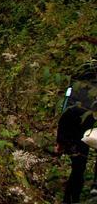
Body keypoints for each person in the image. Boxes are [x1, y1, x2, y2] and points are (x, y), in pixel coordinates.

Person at [57, 63, 97, 203]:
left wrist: (60, 139)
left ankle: (71, 199)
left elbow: (66, 105)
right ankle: (73, 198)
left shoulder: (80, 70)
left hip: (74, 118)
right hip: (83, 120)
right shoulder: (83, 72)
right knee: (79, 165)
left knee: (78, 165)